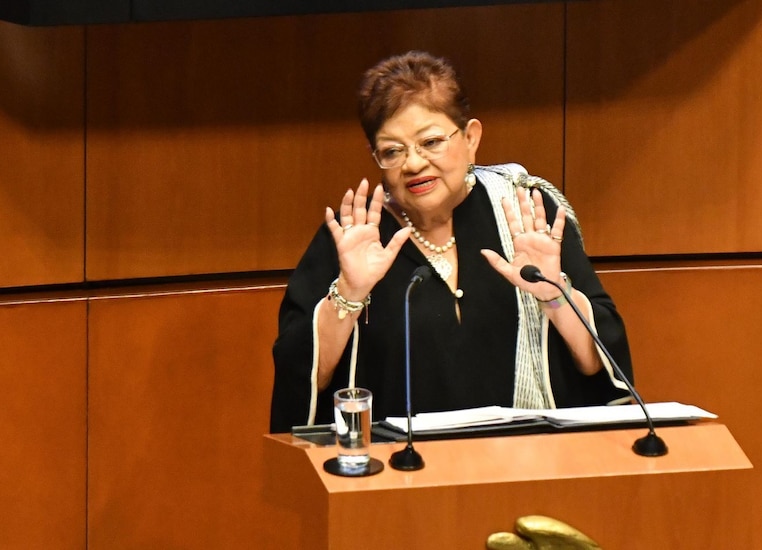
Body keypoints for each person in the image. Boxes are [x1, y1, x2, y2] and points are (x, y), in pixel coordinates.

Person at [270, 51, 633, 432]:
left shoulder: (526, 214)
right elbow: (302, 384)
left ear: (471, 137)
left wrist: (552, 294)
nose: (413, 164)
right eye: (392, 151)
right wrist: (349, 293)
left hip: (528, 456)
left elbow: (598, 367)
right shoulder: (354, 238)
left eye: (430, 142)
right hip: (397, 462)